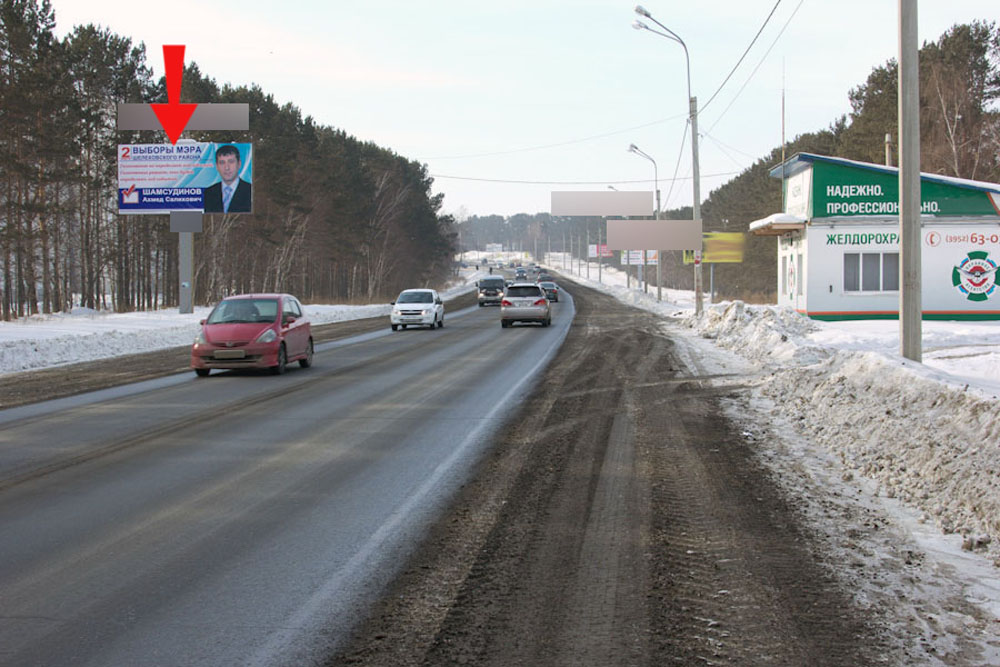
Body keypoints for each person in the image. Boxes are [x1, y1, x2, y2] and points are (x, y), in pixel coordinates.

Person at [203, 145, 252, 213]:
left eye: (231, 162)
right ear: (217, 166)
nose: (227, 168)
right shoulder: (209, 192)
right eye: (222, 163)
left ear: (239, 164)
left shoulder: (250, 191)